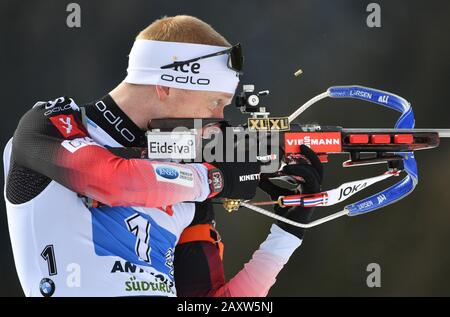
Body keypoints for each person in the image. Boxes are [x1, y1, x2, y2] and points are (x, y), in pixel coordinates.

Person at [3, 15, 322, 297]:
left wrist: (285, 237)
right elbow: (110, 181)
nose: (221, 119)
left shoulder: (188, 179)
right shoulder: (50, 125)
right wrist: (216, 178)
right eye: (214, 102)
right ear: (165, 87)